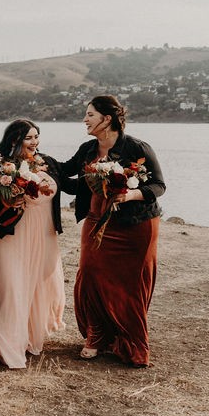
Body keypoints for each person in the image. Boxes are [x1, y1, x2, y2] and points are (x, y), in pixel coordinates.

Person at [58, 95, 165, 366]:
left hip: (135, 225)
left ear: (107, 119)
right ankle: (97, 335)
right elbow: (67, 175)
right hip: (96, 221)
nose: (85, 119)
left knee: (129, 285)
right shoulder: (87, 150)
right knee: (91, 275)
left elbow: (158, 186)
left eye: (90, 115)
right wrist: (33, 163)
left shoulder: (136, 148)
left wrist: (131, 195)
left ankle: (129, 339)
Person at [0, 119, 66, 369]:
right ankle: (7, 348)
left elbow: (70, 181)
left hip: (42, 234)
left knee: (33, 286)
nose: (35, 142)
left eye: (37, 137)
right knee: (10, 287)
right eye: (29, 138)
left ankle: (28, 339)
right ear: (14, 140)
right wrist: (7, 199)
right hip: (8, 234)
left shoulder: (46, 161)